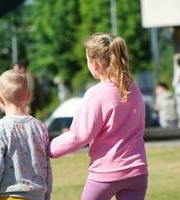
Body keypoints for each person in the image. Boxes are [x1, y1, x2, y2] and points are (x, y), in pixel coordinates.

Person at [49, 33, 148, 200]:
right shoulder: (133, 87)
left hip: (106, 172)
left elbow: (79, 135)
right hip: (137, 171)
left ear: (94, 64)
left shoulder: (96, 94)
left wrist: (49, 149)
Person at [0, 69, 52, 200]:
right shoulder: (40, 126)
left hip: (10, 195)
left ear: (0, 98)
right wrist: (47, 194)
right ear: (28, 95)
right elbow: (46, 165)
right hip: (38, 195)